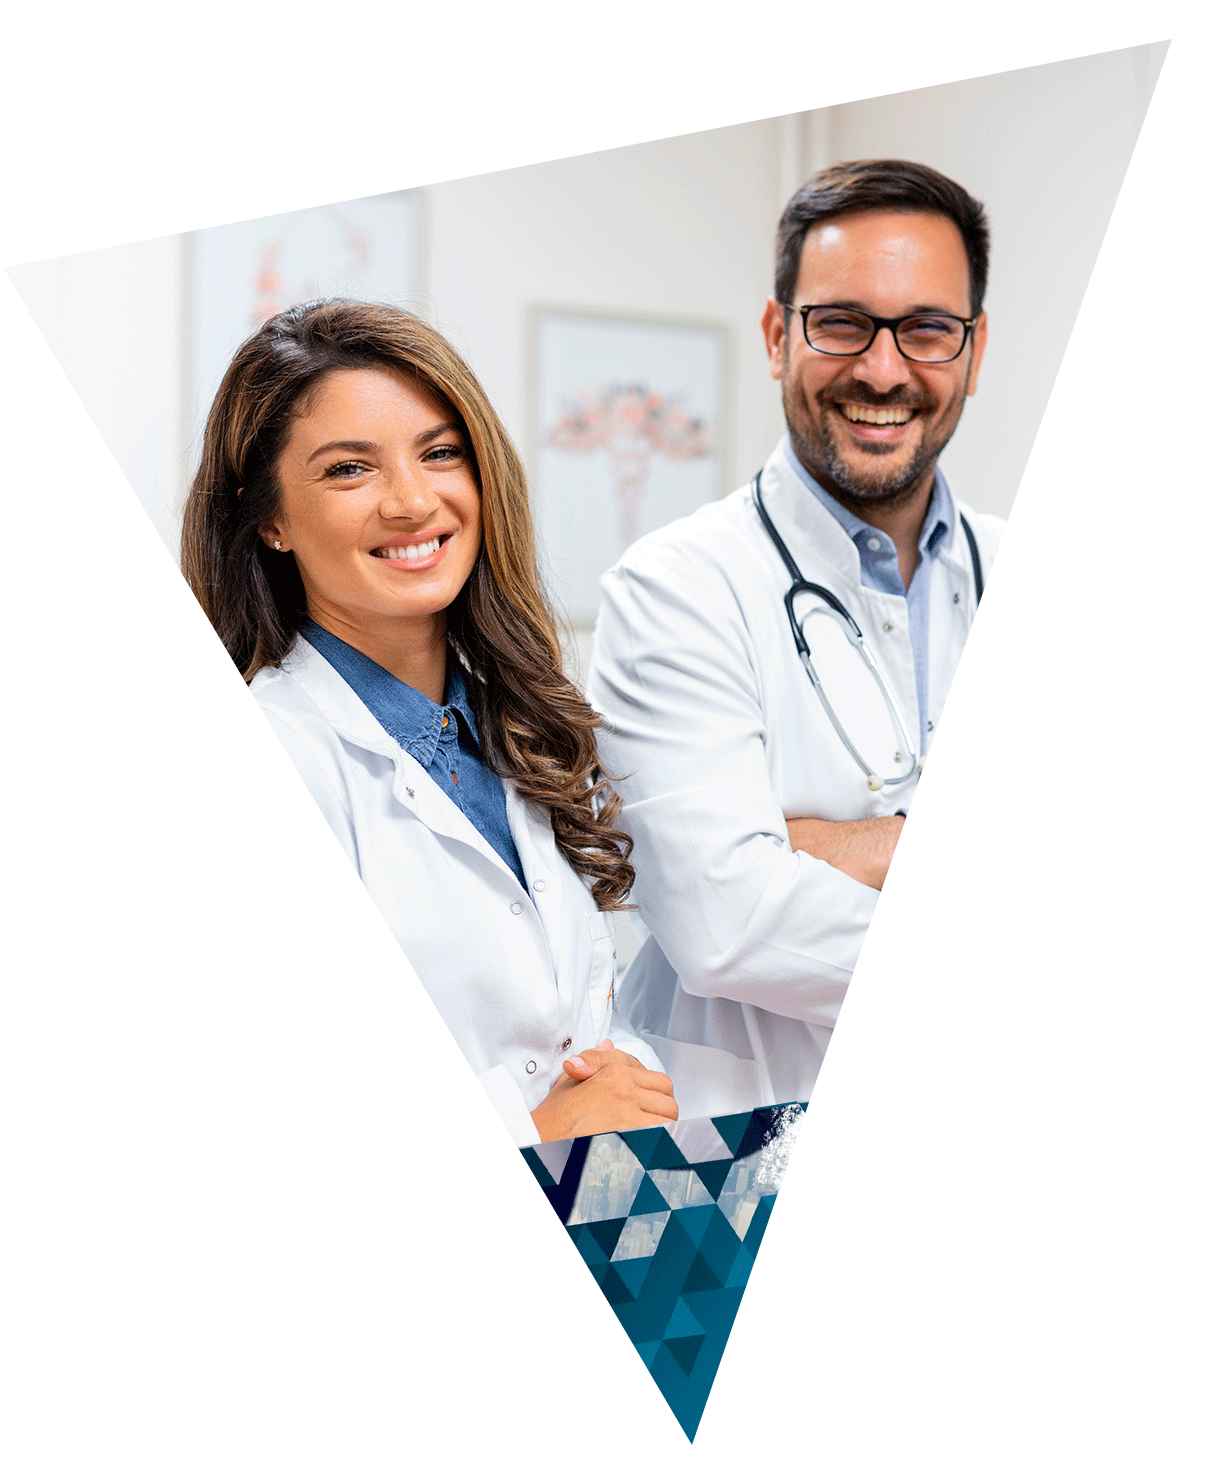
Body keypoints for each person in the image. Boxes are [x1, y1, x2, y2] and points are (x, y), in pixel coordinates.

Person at [182, 298, 677, 1146]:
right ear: (267, 517)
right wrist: (531, 1126)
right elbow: (246, 1110)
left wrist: (625, 1074)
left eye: (441, 453)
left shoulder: (514, 724)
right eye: (349, 469)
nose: (413, 501)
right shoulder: (271, 754)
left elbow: (568, 1013)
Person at [588, 159, 1006, 1116]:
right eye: (841, 322)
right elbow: (722, 917)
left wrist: (816, 844)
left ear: (974, 353)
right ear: (779, 335)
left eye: (927, 329)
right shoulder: (676, 586)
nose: (883, 368)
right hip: (742, 1148)